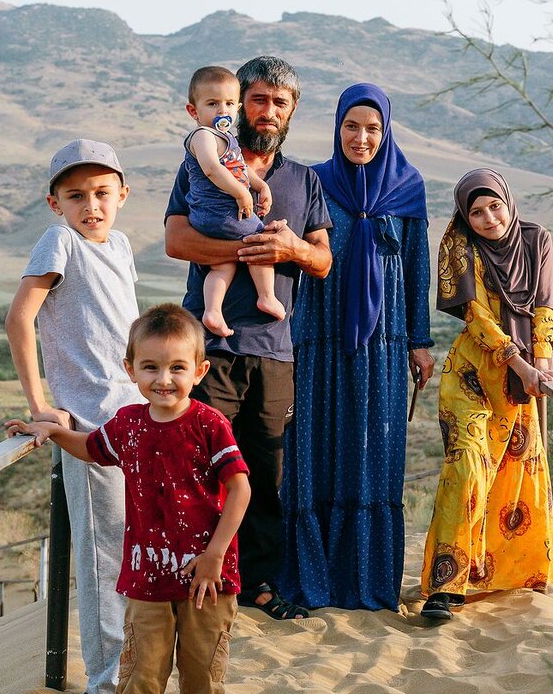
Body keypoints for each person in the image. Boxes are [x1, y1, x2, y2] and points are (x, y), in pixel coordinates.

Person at [5, 303, 251, 694]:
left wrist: (216, 553)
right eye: (151, 367)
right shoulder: (129, 425)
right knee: (143, 666)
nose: (164, 379)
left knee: (200, 666)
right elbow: (93, 449)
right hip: (146, 579)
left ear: (199, 370)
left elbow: (240, 488)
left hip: (208, 576)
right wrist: (51, 431)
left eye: (178, 367)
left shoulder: (209, 425)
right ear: (130, 370)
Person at [165, 55, 333, 621]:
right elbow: (176, 240)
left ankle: (257, 582)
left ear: (290, 113)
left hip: (274, 351)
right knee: (198, 469)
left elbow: (323, 260)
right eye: (256, 99)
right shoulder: (201, 163)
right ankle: (190, 579)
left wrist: (289, 251)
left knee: (265, 471)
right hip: (207, 351)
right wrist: (247, 250)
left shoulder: (303, 180)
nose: (266, 111)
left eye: (278, 103)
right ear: (239, 103)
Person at [4, 138, 149, 694]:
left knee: (134, 560)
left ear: (122, 194)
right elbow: (19, 317)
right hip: (86, 429)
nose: (91, 205)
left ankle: (125, 684)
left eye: (100, 192)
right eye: (75, 195)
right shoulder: (59, 241)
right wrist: (42, 407)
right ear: (54, 203)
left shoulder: (118, 245)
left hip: (135, 420)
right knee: (103, 562)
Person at [281, 83, 434, 611]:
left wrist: (419, 342)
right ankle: (312, 576)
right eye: (352, 126)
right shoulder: (314, 181)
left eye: (372, 129)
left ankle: (364, 580)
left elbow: (417, 270)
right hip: (318, 336)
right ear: (337, 127)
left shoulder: (408, 188)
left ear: (386, 131)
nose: (361, 138)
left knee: (372, 450)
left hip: (384, 344)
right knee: (316, 447)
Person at [420, 168, 553, 622]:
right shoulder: (460, 246)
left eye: (494, 206)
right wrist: (520, 361)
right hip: (472, 376)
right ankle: (445, 588)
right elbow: (476, 317)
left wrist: (541, 360)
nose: (487, 218)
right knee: (466, 467)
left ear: (508, 201)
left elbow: (545, 303)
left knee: (517, 475)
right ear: (465, 214)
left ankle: (508, 574)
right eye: (476, 211)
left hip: (518, 383)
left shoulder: (536, 239)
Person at [181, 66, 278, 337]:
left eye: (228, 104)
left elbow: (240, 169)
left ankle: (212, 311)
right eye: (212, 104)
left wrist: (259, 185)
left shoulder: (227, 140)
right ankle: (266, 295)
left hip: (215, 217)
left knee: (222, 266)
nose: (221, 110)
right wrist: (241, 193)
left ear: (237, 109)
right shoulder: (202, 136)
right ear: (194, 111)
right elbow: (212, 168)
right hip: (218, 212)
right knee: (261, 239)